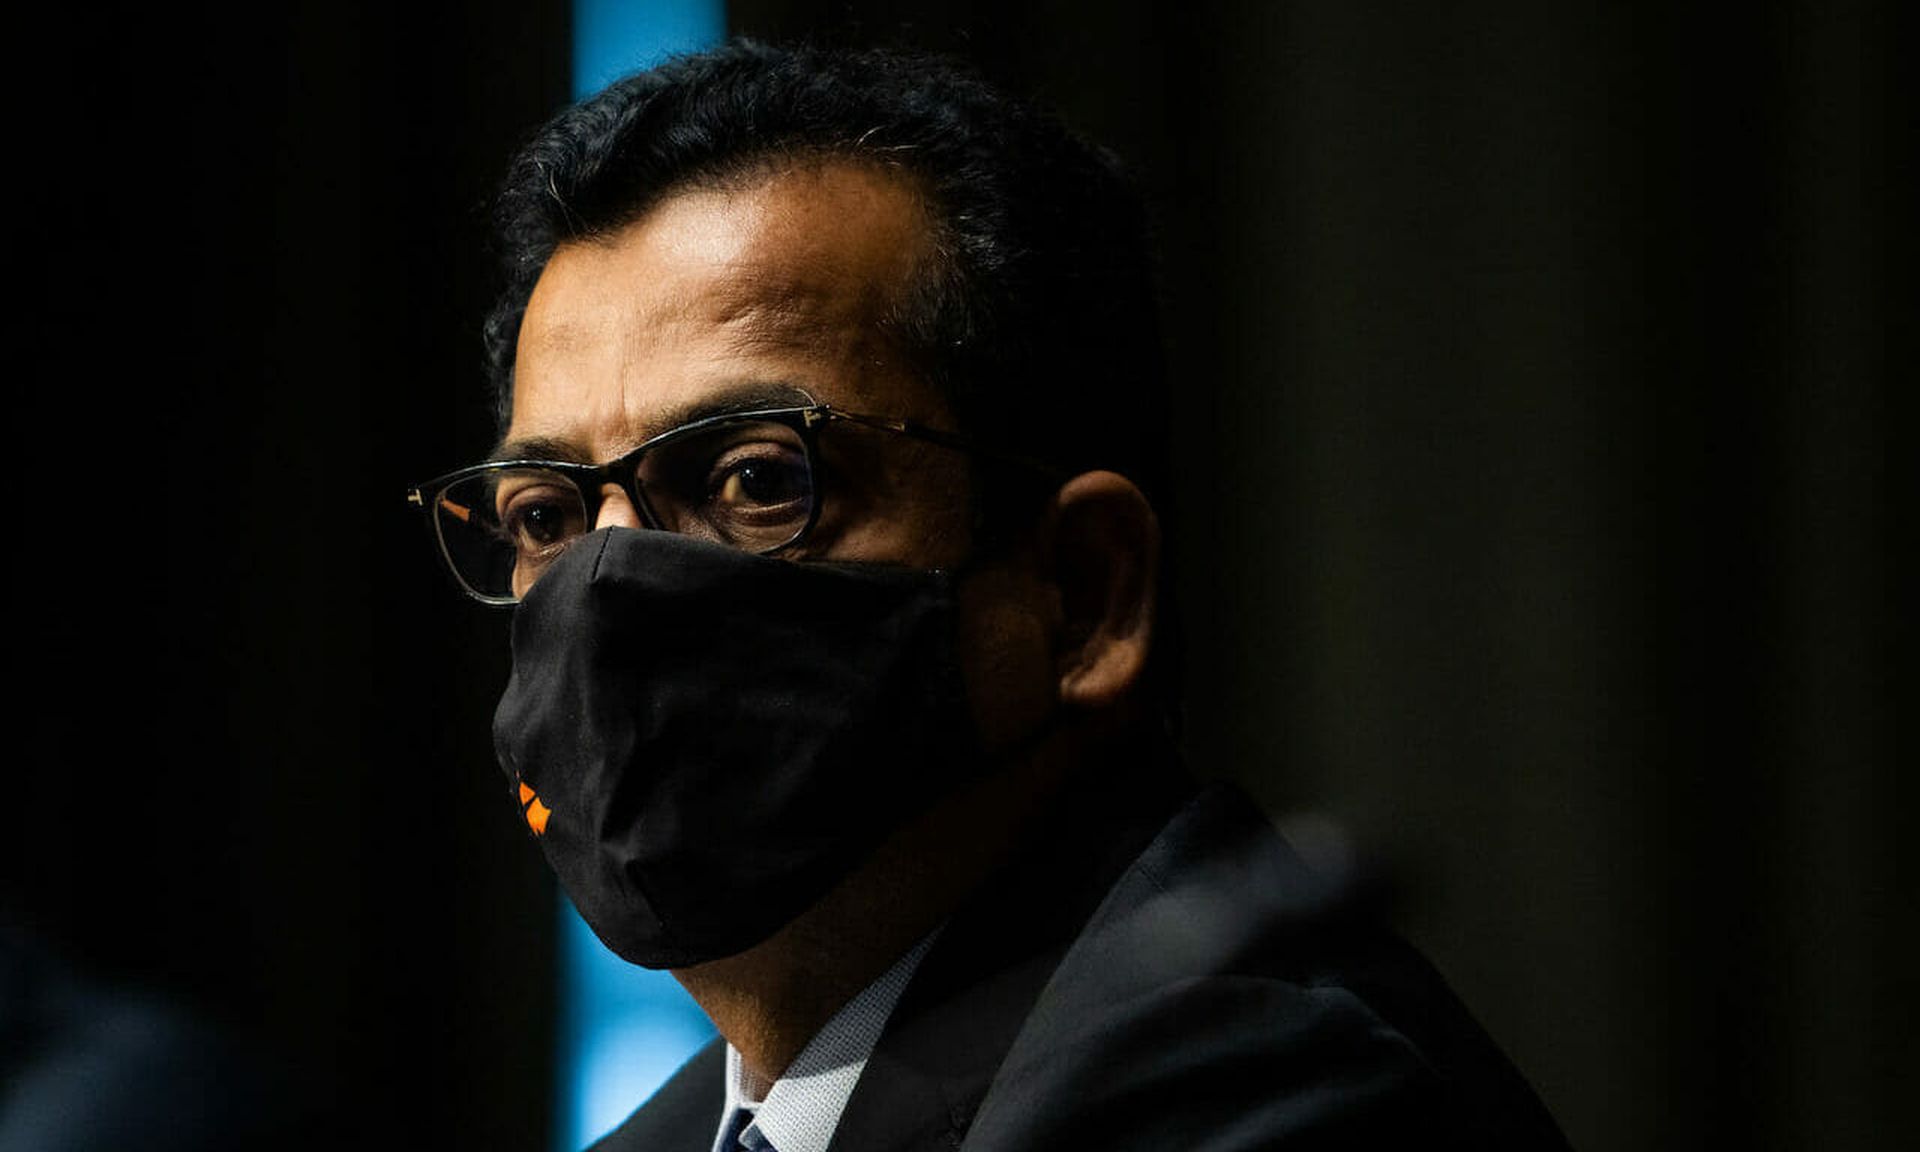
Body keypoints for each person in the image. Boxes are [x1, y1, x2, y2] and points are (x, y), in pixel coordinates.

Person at [408, 40, 1570, 1151]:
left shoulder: (1259, 1088)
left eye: (755, 479)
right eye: (546, 519)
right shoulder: (670, 1140)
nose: (612, 592)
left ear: (1082, 592)